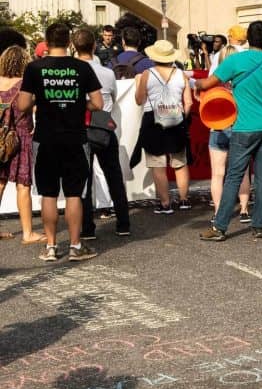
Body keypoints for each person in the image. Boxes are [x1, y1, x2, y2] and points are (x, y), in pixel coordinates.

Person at [17, 23, 103, 261]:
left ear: (47, 42)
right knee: (74, 194)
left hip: (45, 138)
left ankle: (51, 247)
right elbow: (98, 103)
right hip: (75, 137)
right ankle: (75, 246)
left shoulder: (34, 68)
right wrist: (79, 105)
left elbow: (22, 104)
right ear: (69, 43)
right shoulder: (82, 67)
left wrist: (41, 100)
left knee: (49, 194)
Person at [198, 21, 262, 240]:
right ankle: (259, 225)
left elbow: (208, 83)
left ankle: (220, 227)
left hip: (244, 127)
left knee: (233, 176)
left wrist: (195, 84)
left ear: (248, 38)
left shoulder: (236, 60)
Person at [74, 28, 130, 239]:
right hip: (104, 126)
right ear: (94, 46)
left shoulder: (72, 72)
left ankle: (87, 227)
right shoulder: (107, 73)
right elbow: (113, 98)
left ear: (74, 47)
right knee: (113, 175)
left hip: (80, 128)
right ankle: (123, 223)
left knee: (83, 180)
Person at [134, 40, 193, 214]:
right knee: (180, 162)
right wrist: (181, 118)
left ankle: (165, 204)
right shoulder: (181, 74)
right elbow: (188, 102)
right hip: (176, 119)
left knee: (158, 164)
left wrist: (138, 84)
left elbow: (139, 100)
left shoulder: (147, 74)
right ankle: (184, 200)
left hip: (153, 121)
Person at [0, 45, 46, 245]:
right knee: (23, 185)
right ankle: (28, 233)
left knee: (0, 182)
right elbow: (38, 107)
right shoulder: (25, 85)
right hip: (21, 137)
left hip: (0, 139)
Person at [207, 44, 252, 224]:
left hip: (218, 128)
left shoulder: (214, 82)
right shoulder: (244, 80)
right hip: (240, 127)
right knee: (243, 171)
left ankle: (218, 211)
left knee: (217, 173)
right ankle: (244, 209)